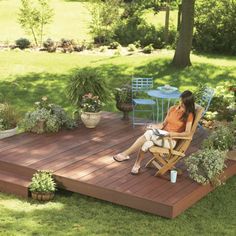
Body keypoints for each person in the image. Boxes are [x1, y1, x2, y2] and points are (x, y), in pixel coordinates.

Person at [113, 90, 195, 175]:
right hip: (161, 135)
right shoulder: (172, 109)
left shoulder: (189, 115)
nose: (181, 103)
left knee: (148, 134)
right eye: (181, 100)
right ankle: (137, 165)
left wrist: (172, 134)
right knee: (147, 143)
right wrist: (153, 126)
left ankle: (125, 154)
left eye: (184, 102)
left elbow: (187, 133)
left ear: (188, 103)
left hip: (171, 141)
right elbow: (163, 124)